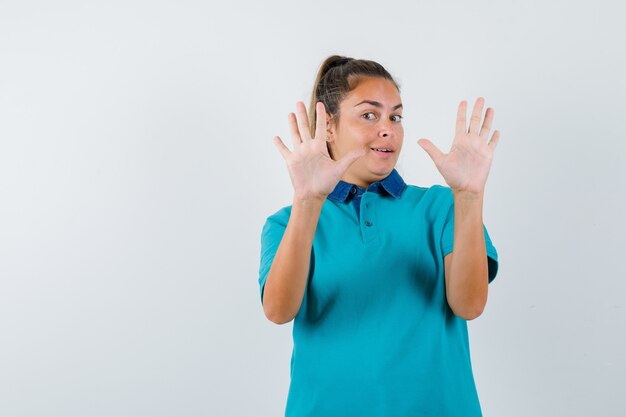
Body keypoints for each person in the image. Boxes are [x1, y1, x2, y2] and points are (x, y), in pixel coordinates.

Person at [258, 55, 501, 417]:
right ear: (328, 125)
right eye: (369, 115)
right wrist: (308, 202)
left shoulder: (440, 207)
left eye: (395, 116)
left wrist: (468, 197)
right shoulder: (285, 223)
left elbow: (469, 305)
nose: (387, 128)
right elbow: (278, 311)